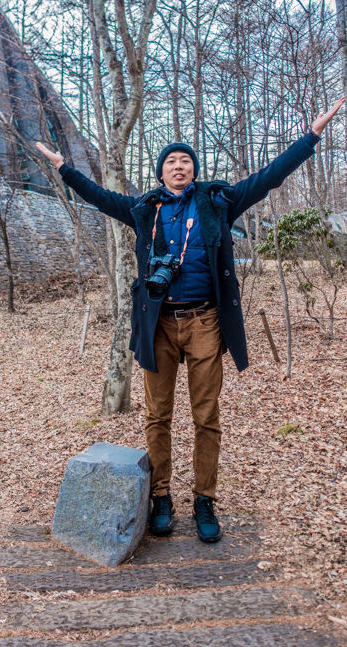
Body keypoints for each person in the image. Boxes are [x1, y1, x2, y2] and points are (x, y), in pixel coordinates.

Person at [36, 97, 344, 543]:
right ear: (161, 171)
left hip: (205, 323)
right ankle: (161, 497)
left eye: (186, 161)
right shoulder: (145, 209)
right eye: (171, 161)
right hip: (158, 324)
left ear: (193, 170)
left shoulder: (219, 202)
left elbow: (268, 178)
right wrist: (65, 168)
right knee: (157, 416)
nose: (178, 166)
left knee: (206, 416)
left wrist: (311, 136)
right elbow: (101, 198)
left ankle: (204, 500)